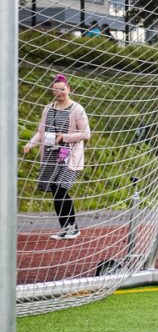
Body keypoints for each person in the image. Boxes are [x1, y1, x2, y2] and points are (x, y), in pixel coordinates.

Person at [23, 73, 90, 240]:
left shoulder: (77, 109)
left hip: (69, 155)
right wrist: (30, 144)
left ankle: (73, 227)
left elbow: (86, 134)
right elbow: (41, 132)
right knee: (55, 190)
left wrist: (64, 137)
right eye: (55, 90)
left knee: (61, 188)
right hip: (51, 156)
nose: (59, 93)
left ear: (68, 89)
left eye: (62, 90)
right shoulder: (48, 108)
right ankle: (64, 227)